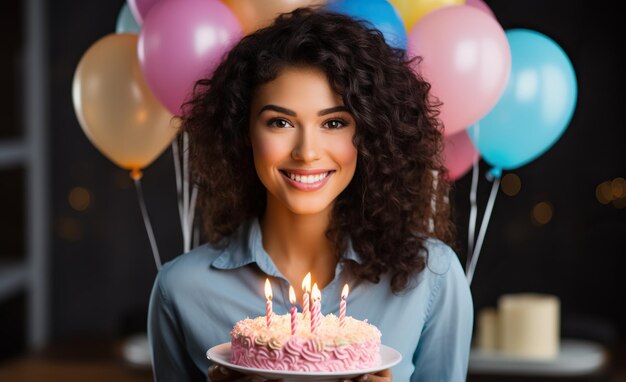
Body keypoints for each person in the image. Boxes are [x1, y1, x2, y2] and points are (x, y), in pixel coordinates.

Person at [148, 6, 473, 382]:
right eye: (280, 122)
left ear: (369, 135)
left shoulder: (432, 278)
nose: (306, 151)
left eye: (334, 123)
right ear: (243, 132)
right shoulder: (181, 291)